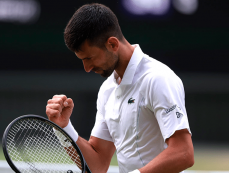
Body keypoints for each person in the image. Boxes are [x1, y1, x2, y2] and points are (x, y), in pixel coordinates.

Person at [46, 3, 194, 173]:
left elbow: (184, 153)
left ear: (112, 44)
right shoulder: (107, 90)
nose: (86, 68)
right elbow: (97, 165)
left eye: (89, 58)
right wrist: (64, 128)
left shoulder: (158, 79)